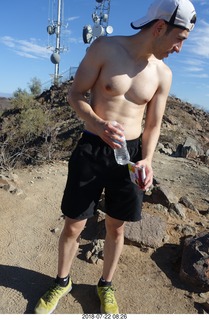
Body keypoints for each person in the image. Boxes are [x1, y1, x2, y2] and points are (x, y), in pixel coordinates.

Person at [34, 0, 196, 314]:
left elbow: (153, 123)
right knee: (73, 225)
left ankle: (105, 284)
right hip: (92, 148)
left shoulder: (163, 74)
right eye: (180, 38)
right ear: (160, 27)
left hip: (131, 157)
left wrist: (147, 160)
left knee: (117, 227)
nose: (179, 48)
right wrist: (97, 123)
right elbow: (75, 94)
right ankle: (62, 280)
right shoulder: (104, 49)